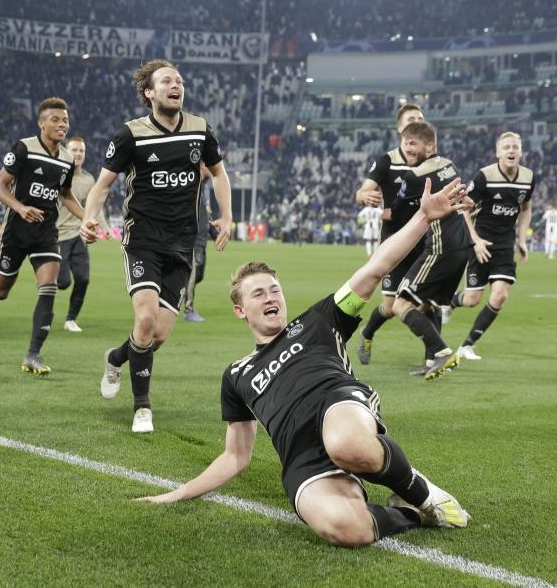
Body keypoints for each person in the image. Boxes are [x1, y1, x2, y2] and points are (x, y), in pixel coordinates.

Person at [138, 177, 471, 547]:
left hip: (337, 406)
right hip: (301, 457)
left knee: (347, 445)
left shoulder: (319, 319)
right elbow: (235, 457)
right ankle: (409, 511)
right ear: (240, 310)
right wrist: (178, 493)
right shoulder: (236, 374)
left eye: (274, 290)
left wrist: (423, 218)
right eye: (258, 293)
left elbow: (376, 269)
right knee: (347, 530)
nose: (270, 297)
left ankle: (421, 491)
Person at [80, 59, 233, 434]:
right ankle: (142, 407)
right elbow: (102, 184)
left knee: (158, 335)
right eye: (167, 81)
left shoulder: (200, 130)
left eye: (179, 80)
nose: (176, 85)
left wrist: (227, 217)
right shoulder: (130, 135)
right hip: (143, 240)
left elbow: (218, 173)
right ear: (149, 93)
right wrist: (89, 216)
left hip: (182, 244)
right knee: (145, 319)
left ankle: (117, 357)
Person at [0, 98, 84, 376]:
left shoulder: (67, 158)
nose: (62, 124)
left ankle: (33, 354)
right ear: (41, 123)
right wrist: (20, 207)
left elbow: (65, 195)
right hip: (15, 231)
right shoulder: (24, 148)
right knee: (1, 290)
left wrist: (86, 217)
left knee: (49, 287)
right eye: (55, 119)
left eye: (65, 120)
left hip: (45, 232)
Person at [390, 122, 473, 380]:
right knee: (431, 305)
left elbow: (396, 207)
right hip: (461, 244)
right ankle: (430, 361)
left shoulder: (414, 177)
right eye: (405, 143)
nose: (407, 148)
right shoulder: (450, 164)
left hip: (441, 246)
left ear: (430, 145)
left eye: (413, 143)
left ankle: (441, 351)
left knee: (399, 304)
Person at [444, 132, 534, 361]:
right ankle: (452, 302)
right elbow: (463, 206)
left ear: (521, 151)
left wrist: (521, 239)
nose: (511, 150)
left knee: (500, 296)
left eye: (515, 146)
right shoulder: (485, 176)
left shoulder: (528, 177)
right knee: (473, 299)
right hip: (481, 242)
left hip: (505, 245)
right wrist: (474, 240)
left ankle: (467, 345)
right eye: (506, 147)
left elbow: (526, 209)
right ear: (498, 153)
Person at [354, 104, 430, 366]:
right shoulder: (388, 160)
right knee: (389, 306)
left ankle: (433, 356)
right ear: (400, 128)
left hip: (426, 240)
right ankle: (367, 332)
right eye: (411, 119)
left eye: (420, 119)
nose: (417, 122)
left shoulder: (432, 162)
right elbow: (362, 191)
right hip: (394, 241)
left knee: (427, 302)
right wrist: (365, 195)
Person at [56, 136, 108, 333]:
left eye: (81, 151)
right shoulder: (58, 175)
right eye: (74, 150)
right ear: (66, 152)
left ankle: (71, 319)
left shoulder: (88, 179)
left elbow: (94, 207)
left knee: (83, 278)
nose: (77, 154)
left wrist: (105, 227)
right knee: (62, 283)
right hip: (58, 236)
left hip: (79, 235)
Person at [183, 173, 213, 322]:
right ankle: (189, 310)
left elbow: (206, 216)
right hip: (192, 241)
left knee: (198, 276)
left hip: (202, 241)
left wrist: (215, 233)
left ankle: (178, 289)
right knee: (192, 276)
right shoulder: (190, 187)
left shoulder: (205, 188)